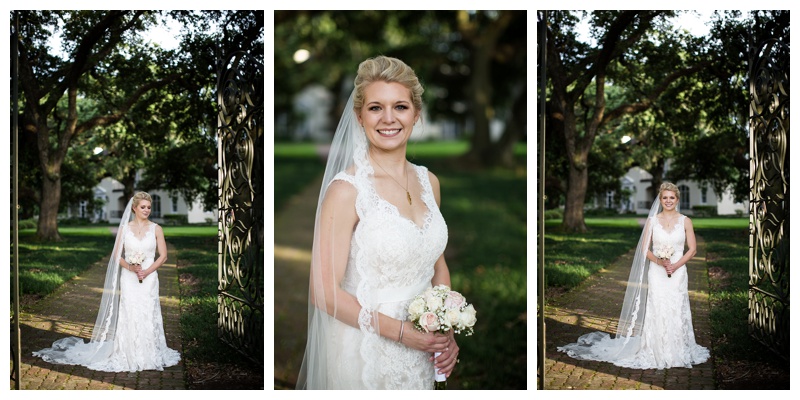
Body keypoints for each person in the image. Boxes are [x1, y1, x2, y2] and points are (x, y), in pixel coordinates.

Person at [295, 55, 460, 389]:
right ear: (359, 117)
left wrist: (446, 330)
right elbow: (323, 292)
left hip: (421, 350)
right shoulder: (346, 191)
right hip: (365, 348)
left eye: (400, 107)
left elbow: (436, 265)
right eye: (375, 108)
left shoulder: (430, 182)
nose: (388, 119)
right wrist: (402, 334)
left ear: (416, 113)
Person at [557, 182, 710, 369]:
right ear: (660, 200)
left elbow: (692, 250)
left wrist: (676, 266)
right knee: (657, 306)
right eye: (665, 197)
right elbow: (645, 248)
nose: (668, 201)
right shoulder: (652, 221)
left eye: (672, 197)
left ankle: (677, 347)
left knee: (677, 306)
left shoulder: (686, 221)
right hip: (657, 271)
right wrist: (660, 262)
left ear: (677, 199)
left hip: (678, 273)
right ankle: (655, 349)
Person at [33, 192, 181, 372]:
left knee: (148, 310)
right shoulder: (125, 229)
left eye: (149, 207)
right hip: (129, 277)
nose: (147, 210)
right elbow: (116, 255)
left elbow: (163, 256)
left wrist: (146, 272)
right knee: (130, 311)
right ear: (134, 208)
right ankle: (128, 352)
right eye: (143, 207)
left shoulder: (156, 228)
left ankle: (149, 351)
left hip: (149, 278)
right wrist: (131, 268)